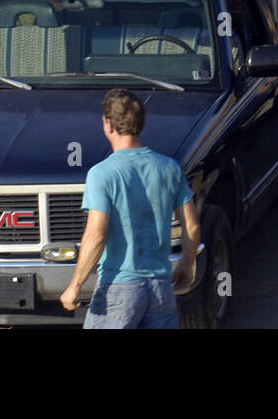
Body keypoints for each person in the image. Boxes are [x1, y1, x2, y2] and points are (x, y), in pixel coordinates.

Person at [60, 89, 200, 329]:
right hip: (160, 286)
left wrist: (75, 286)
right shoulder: (169, 168)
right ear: (142, 125)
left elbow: (96, 235)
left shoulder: (102, 174)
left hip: (118, 287)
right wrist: (187, 264)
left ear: (108, 124)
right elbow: (192, 225)